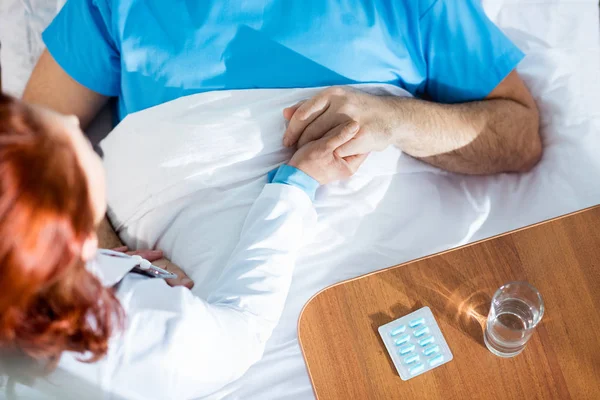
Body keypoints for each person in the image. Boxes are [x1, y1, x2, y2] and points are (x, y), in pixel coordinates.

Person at [23, 0, 542, 285]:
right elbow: (27, 145)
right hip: (185, 303)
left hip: (373, 286)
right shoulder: (114, 5)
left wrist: (395, 118)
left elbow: (518, 136)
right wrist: (112, 256)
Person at [0, 93, 363, 399]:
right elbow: (242, 332)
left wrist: (98, 263)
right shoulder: (134, 337)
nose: (76, 122)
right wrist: (296, 185)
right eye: (77, 142)